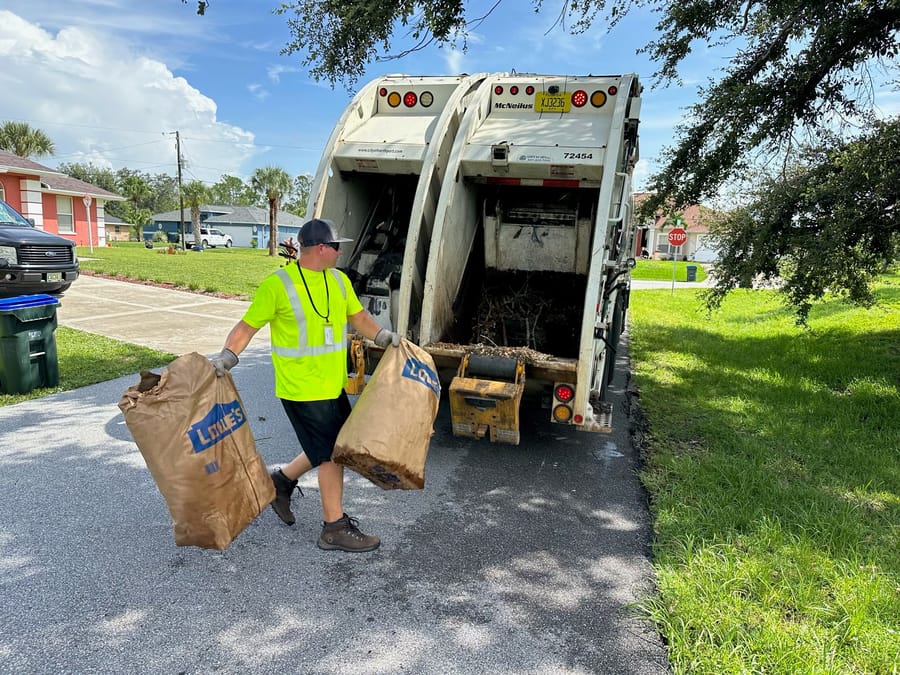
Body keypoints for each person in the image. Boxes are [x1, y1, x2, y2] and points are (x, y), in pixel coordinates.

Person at [210, 218, 400, 552]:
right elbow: (247, 326)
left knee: (329, 445)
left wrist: (383, 336)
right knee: (331, 454)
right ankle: (333, 527)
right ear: (322, 248)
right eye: (338, 246)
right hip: (299, 387)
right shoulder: (278, 285)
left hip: (331, 386)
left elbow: (358, 318)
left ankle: (280, 482)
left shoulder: (339, 281)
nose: (342, 251)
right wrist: (228, 355)